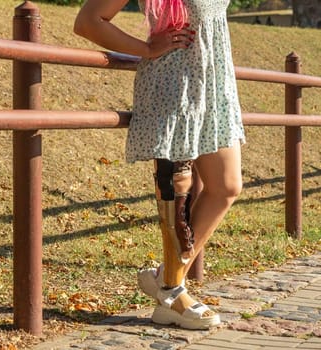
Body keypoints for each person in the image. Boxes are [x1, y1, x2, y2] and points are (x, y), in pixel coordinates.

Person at [75, 0, 245, 330]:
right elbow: (88, 21)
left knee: (227, 186)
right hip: (174, 86)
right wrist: (147, 48)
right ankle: (173, 296)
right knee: (175, 189)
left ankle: (167, 281)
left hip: (215, 87)